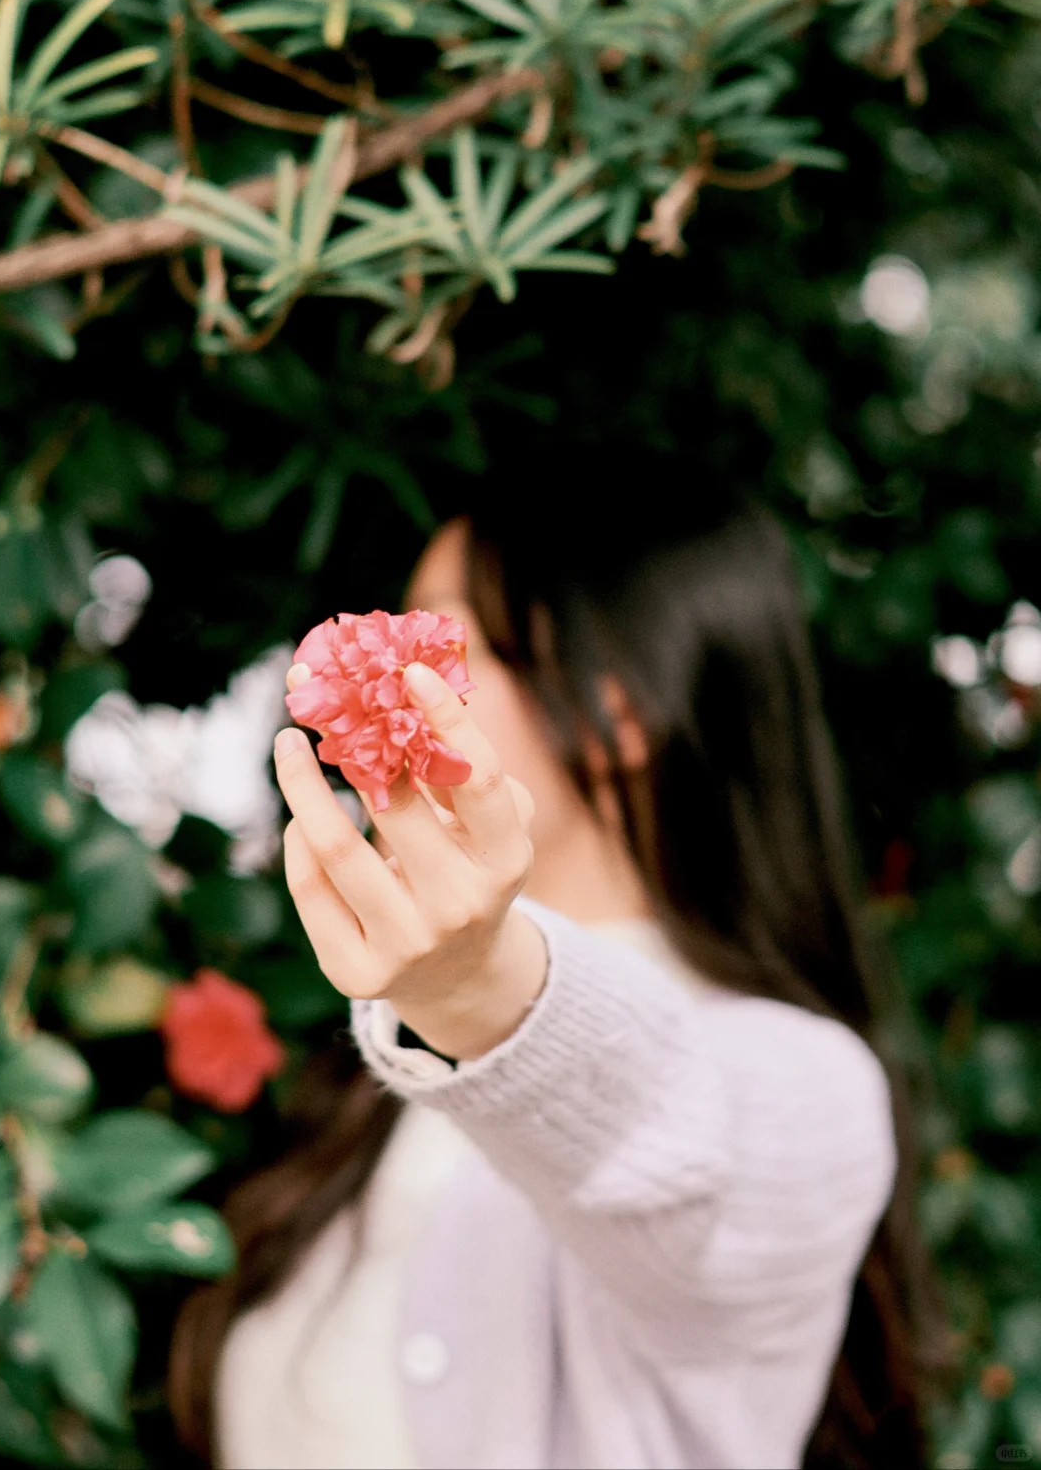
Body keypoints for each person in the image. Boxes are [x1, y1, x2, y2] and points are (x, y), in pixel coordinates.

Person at [170, 454, 932, 1470]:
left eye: (440, 640)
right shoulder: (392, 1070)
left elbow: (681, 1141)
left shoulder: (806, 1090)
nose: (383, 676)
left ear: (617, 708)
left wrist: (485, 996)